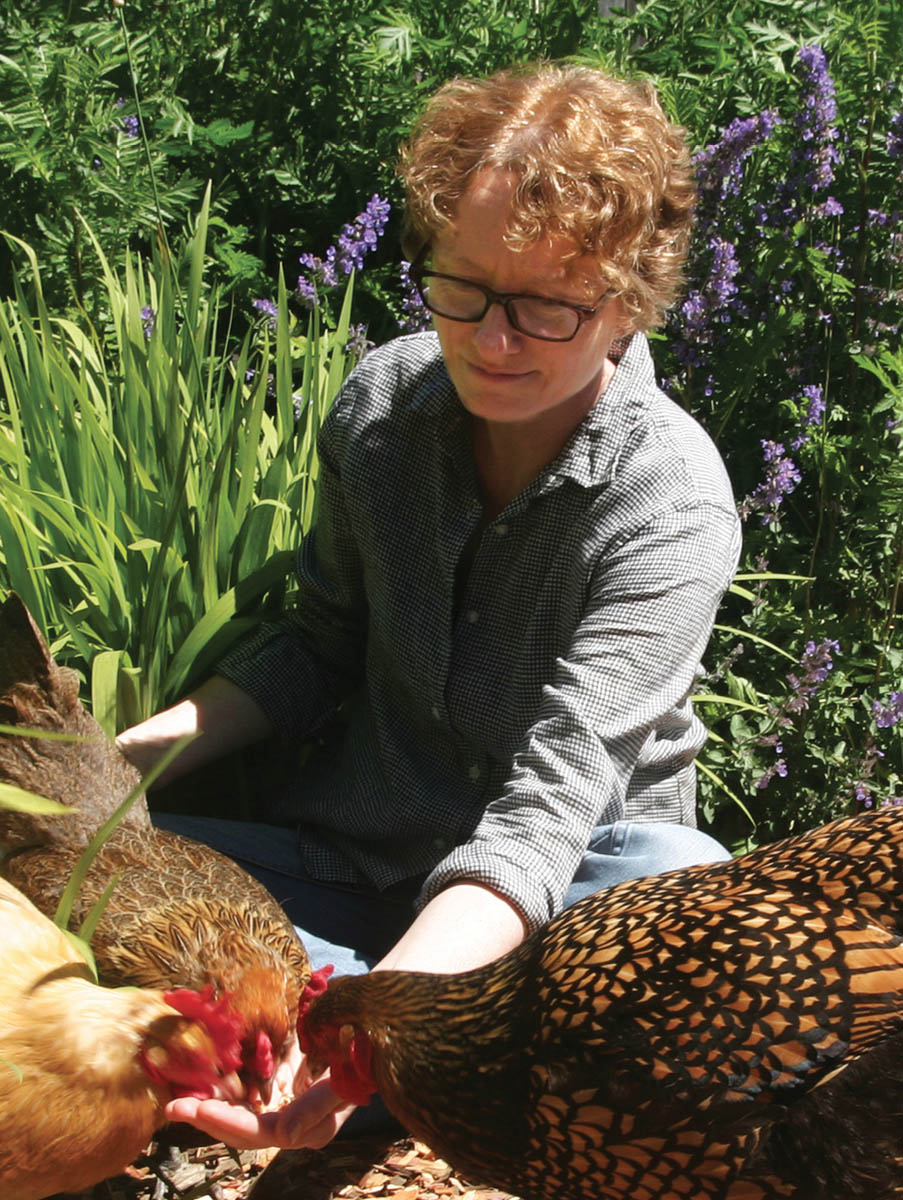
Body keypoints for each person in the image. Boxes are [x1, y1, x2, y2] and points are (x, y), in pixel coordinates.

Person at [118, 61, 742, 1149]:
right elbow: (315, 650)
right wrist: (112, 768)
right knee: (86, 855)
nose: (490, 343)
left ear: (629, 299)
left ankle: (391, 1050)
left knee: (687, 898)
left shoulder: (671, 502)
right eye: (462, 286)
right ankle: (420, 1059)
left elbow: (551, 811)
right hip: (361, 860)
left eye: (547, 306)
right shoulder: (382, 414)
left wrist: (361, 1029)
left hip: (577, 886)